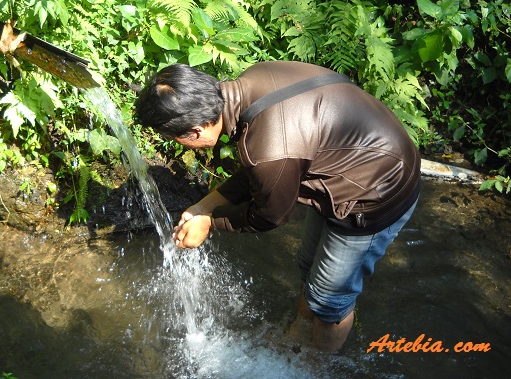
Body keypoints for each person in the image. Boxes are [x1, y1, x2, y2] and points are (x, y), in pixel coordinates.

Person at [134, 61, 421, 352]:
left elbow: (271, 215)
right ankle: (298, 332)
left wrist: (210, 221)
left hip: (376, 194)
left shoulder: (271, 147)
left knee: (330, 299)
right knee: (309, 267)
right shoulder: (252, 80)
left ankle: (316, 368)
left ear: (195, 132)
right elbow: (262, 169)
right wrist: (203, 207)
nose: (177, 143)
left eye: (173, 138)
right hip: (358, 159)